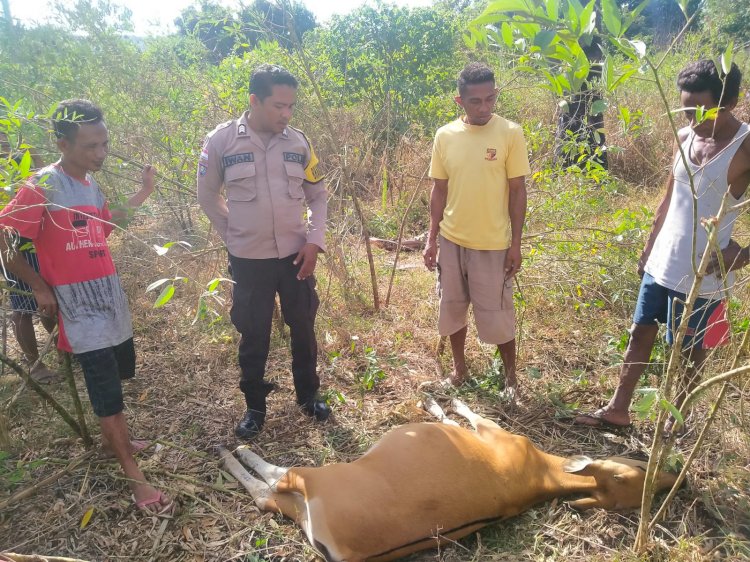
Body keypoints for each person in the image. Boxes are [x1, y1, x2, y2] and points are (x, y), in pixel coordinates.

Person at [0, 99, 171, 513]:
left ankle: (122, 441)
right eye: (90, 146)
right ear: (62, 142)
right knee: (105, 389)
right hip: (77, 306)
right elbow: (6, 243)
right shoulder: (42, 185)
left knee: (117, 372)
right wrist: (40, 289)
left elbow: (108, 227)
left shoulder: (92, 185)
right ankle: (134, 477)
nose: (100, 154)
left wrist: (145, 191)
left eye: (104, 144)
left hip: (108, 295)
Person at [574, 60, 750, 431]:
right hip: (662, 263)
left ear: (729, 102)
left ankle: (676, 425)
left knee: (689, 353)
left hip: (706, 274)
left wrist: (744, 255)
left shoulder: (744, 146)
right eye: (686, 109)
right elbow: (668, 199)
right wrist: (648, 247)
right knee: (640, 333)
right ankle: (618, 410)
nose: (691, 120)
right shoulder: (685, 137)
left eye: (701, 110)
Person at [198, 64, 330, 439]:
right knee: (253, 332)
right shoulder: (221, 141)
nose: (286, 114)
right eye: (278, 106)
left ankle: (309, 395)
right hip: (248, 260)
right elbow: (207, 195)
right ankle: (255, 406)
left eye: (291, 107)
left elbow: (317, 195)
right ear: (254, 100)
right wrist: (233, 235)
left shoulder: (299, 142)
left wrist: (314, 241)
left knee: (303, 326)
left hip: (295, 256)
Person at [423, 62, 530, 397]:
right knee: (453, 307)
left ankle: (511, 379)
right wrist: (431, 239)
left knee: (498, 313)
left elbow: (517, 190)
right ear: (460, 101)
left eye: (490, 98)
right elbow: (439, 190)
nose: (484, 107)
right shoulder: (445, 135)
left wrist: (516, 243)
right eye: (476, 101)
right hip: (452, 240)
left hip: (493, 244)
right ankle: (459, 371)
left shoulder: (510, 133)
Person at [0, 131, 60, 383]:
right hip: (9, 242)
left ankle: (64, 349)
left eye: (4, 137)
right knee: (23, 305)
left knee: (48, 295)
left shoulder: (20, 159)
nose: (3, 143)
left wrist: (30, 150)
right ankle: (35, 365)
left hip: (35, 237)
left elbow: (43, 178)